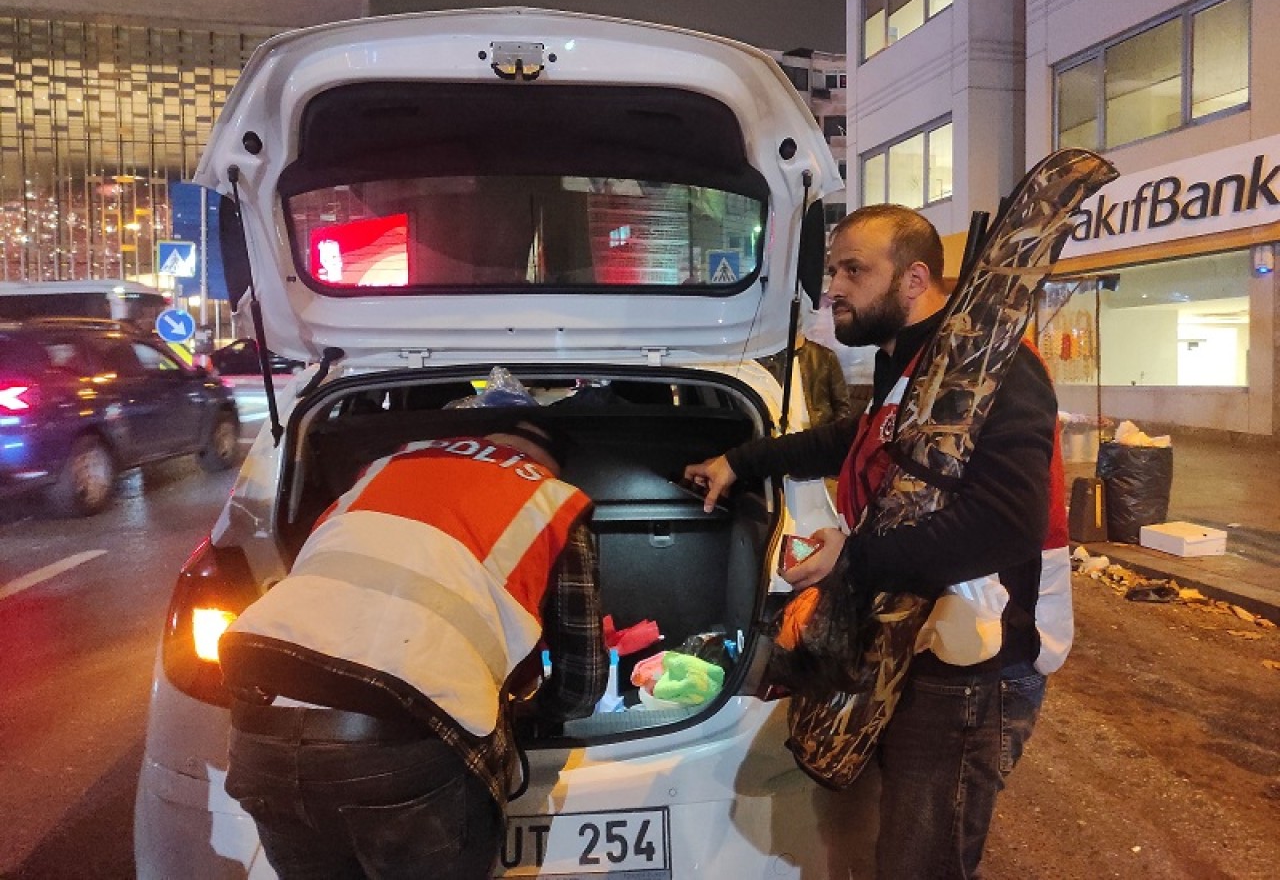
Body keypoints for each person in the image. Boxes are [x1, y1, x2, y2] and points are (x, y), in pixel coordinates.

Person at [685, 203, 1070, 879]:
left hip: (975, 663)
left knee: (920, 864)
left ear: (915, 278)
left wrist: (855, 556)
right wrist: (742, 462)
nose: (833, 286)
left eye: (853, 269)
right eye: (832, 268)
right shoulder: (910, 361)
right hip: (917, 645)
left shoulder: (989, 365)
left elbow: (1009, 521)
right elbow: (856, 438)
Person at [218, 416, 608, 879]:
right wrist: (533, 712)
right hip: (397, 749)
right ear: (548, 464)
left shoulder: (378, 474)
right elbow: (582, 683)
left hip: (261, 736)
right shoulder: (551, 501)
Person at [759, 314, 853, 430]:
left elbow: (842, 406)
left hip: (815, 435)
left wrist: (829, 438)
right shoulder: (768, 359)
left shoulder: (824, 357)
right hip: (779, 436)